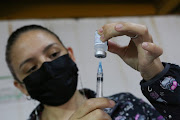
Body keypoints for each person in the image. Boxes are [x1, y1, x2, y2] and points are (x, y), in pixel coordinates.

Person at [5, 22, 165, 120]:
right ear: (22, 87)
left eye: (54, 54)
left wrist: (157, 75)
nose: (47, 67)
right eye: (31, 68)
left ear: (71, 55)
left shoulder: (126, 106)